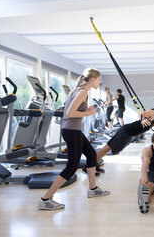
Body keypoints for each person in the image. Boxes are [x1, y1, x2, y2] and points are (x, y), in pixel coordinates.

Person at [38, 68, 110, 211]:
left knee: (91, 155)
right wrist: (89, 112)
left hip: (73, 130)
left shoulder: (80, 90)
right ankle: (45, 199)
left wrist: (86, 110)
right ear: (92, 79)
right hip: (71, 131)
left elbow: (73, 110)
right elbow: (70, 113)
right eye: (99, 79)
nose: (100, 81)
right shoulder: (82, 92)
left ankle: (93, 188)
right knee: (72, 167)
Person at [96, 99, 154, 163]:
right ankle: (91, 163)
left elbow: (148, 121)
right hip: (125, 131)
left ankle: (95, 162)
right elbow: (140, 114)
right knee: (106, 148)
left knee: (108, 149)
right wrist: (142, 120)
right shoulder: (153, 112)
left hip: (128, 135)